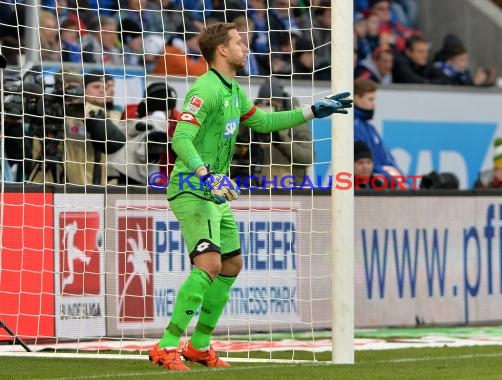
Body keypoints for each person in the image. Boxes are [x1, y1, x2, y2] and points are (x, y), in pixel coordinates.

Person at [148, 22, 352, 371]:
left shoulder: (233, 90)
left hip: (215, 190)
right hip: (193, 187)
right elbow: (180, 139)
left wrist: (311, 111)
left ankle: (199, 345)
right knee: (210, 264)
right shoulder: (205, 89)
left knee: (231, 264)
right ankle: (167, 345)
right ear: (222, 50)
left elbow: (265, 123)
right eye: (239, 42)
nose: (246, 47)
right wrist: (205, 174)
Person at [353, 78, 405, 185]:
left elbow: (387, 159)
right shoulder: (352, 126)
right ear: (356, 99)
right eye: (370, 99)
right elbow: (363, 164)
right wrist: (395, 180)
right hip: (369, 189)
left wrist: (401, 179)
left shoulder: (369, 127)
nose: (374, 104)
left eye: (374, 100)